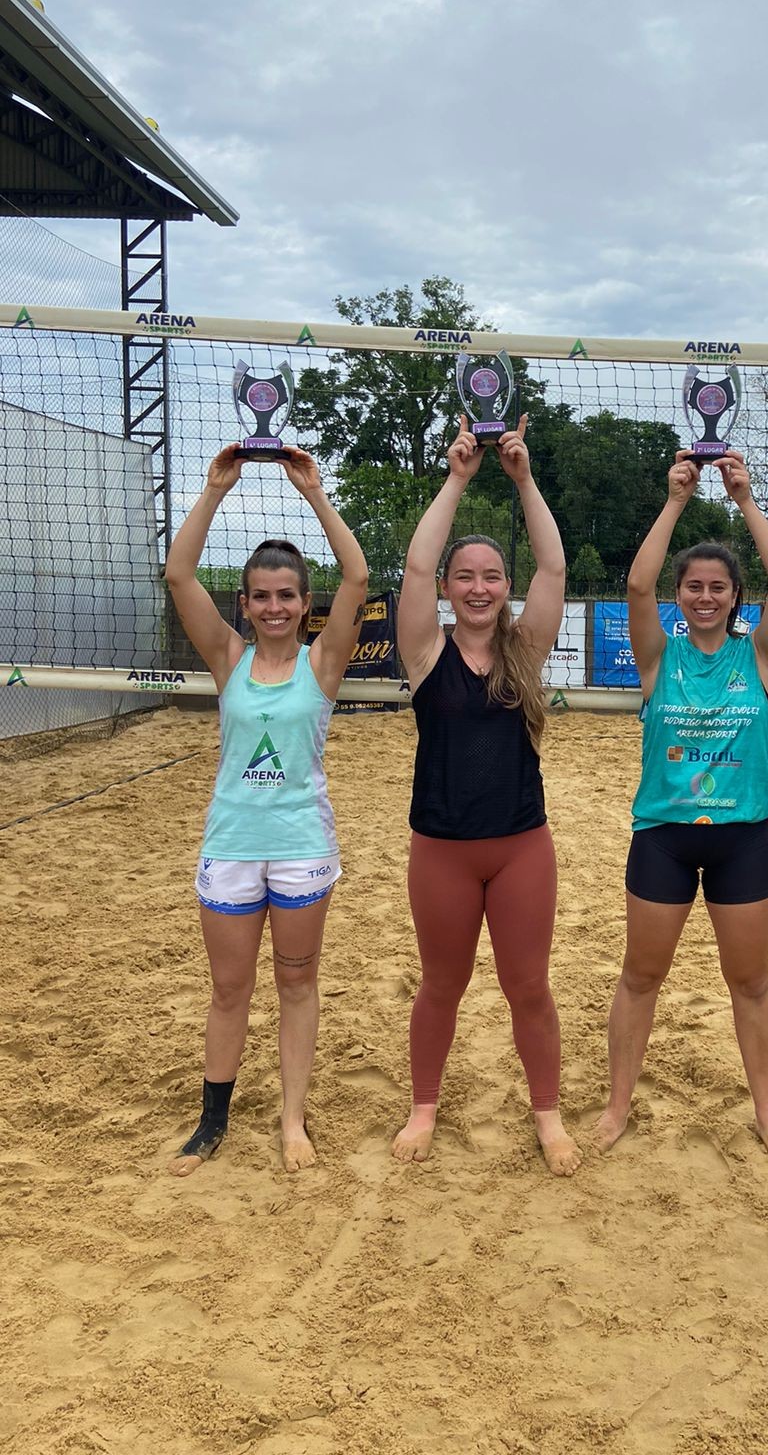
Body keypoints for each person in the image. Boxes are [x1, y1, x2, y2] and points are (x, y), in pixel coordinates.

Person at [164, 444, 368, 1175]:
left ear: (301, 605)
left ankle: (291, 1121)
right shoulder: (227, 657)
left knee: (295, 984)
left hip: (301, 846)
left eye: (287, 595)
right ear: (245, 604)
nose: (275, 606)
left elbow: (356, 575)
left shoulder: (324, 663)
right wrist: (217, 488)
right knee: (228, 989)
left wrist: (313, 493)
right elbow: (179, 574)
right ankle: (210, 1122)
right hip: (232, 844)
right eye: (262, 595)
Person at [595, 450, 768, 1166]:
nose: (705, 596)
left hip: (743, 838)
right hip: (664, 837)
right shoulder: (658, 657)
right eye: (694, 587)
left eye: (718, 587)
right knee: (640, 977)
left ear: (735, 598)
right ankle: (619, 1104)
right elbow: (637, 581)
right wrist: (677, 499)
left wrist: (744, 499)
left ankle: (767, 1114)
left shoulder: (760, 659)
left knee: (750, 982)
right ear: (680, 596)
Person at [391, 414, 581, 1177]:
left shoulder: (524, 651)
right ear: (448, 588)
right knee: (442, 985)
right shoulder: (424, 649)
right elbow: (411, 567)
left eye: (490, 577)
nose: (477, 586)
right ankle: (423, 1107)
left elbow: (555, 570)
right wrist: (459, 477)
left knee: (528, 988)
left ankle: (548, 1115)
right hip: (440, 848)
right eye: (464, 576)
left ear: (504, 589)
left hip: (519, 848)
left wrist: (524, 479)